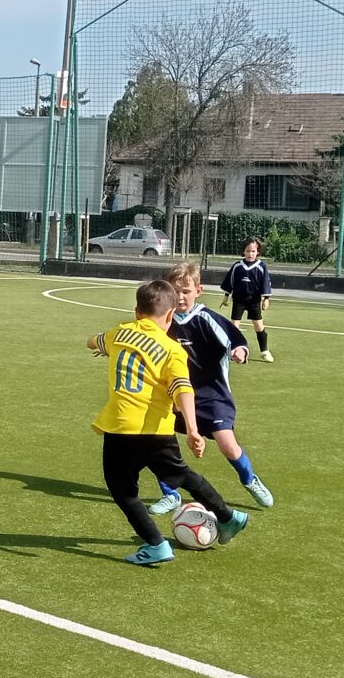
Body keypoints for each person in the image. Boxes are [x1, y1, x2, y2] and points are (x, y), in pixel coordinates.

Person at [87, 278, 251, 566]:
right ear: (171, 314)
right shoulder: (173, 349)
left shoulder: (119, 334)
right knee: (183, 475)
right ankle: (228, 517)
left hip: (122, 427)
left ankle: (156, 545)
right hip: (159, 431)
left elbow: (93, 341)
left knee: (123, 490)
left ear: (137, 312)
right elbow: (182, 388)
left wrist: (100, 344)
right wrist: (192, 429)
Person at [148, 261, 274, 516]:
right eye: (175, 291)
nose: (180, 297)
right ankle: (170, 494)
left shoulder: (207, 318)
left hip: (212, 396)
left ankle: (249, 479)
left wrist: (240, 351)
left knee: (228, 445)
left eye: (186, 291)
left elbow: (235, 339)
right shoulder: (162, 322)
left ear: (198, 291)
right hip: (175, 397)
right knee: (157, 442)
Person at [223, 238, 274, 361]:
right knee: (234, 326)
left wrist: (266, 298)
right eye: (248, 251)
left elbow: (265, 283)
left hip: (254, 301)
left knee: (258, 325)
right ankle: (233, 351)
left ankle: (264, 350)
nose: (250, 254)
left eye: (253, 251)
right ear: (243, 251)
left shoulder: (261, 266)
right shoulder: (237, 266)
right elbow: (230, 281)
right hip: (238, 300)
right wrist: (226, 296)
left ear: (258, 252)